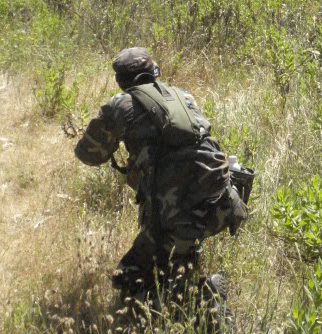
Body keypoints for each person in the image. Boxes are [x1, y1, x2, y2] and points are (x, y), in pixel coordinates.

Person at [75, 47, 247, 313]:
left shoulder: (120, 104)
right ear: (155, 72)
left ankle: (203, 302)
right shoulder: (183, 96)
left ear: (121, 81)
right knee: (177, 251)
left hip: (171, 216)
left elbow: (88, 154)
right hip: (222, 205)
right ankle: (191, 281)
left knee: (129, 281)